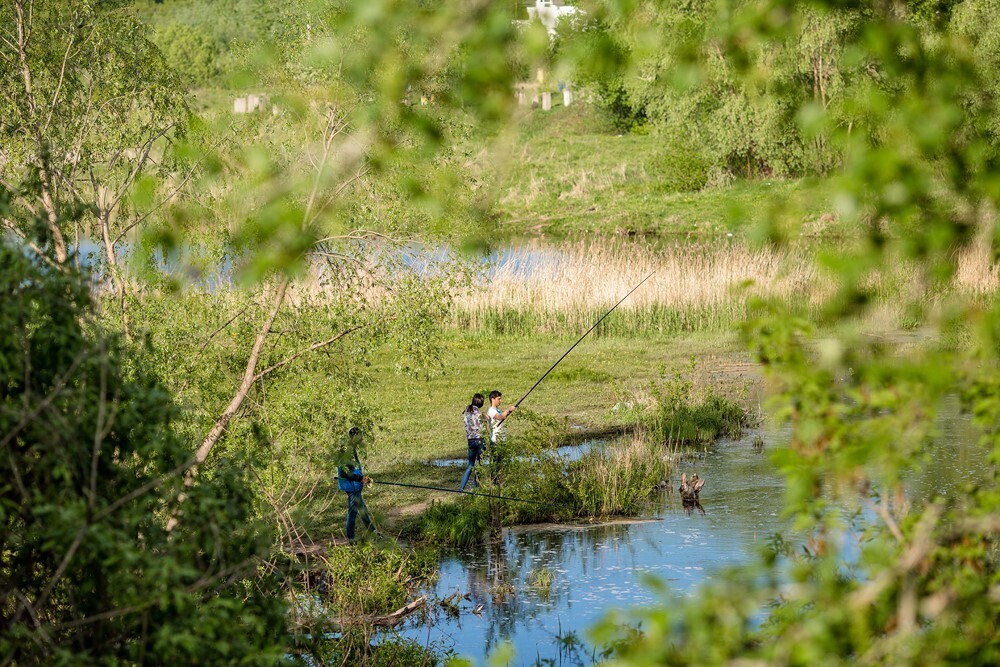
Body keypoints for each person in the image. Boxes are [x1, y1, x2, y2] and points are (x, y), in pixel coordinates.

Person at [337, 427, 376, 541]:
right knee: (353, 513)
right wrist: (360, 478)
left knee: (363, 510)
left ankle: (373, 532)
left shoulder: (351, 448)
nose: (362, 439)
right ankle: (351, 539)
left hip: (355, 485)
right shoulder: (347, 451)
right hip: (351, 486)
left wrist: (362, 478)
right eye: (360, 436)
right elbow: (345, 474)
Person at [460, 393, 486, 490]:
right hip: (479, 440)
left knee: (470, 465)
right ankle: (477, 488)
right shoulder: (479, 414)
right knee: (479, 466)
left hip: (470, 441)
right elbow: (483, 426)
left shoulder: (467, 412)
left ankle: (461, 489)